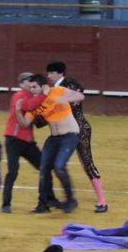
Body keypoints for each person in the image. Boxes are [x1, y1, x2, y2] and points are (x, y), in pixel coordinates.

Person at [16, 74, 85, 213]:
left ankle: (70, 200)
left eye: (34, 87)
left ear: (43, 85)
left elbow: (80, 96)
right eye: (30, 88)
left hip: (70, 136)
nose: (32, 90)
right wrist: (18, 110)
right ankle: (43, 204)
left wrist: (63, 98)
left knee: (59, 166)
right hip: (53, 139)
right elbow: (24, 124)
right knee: (43, 168)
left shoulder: (57, 90)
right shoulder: (36, 102)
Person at [46, 62, 108, 213]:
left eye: (50, 73)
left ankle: (102, 201)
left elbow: (74, 102)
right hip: (61, 131)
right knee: (53, 164)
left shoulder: (70, 84)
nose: (48, 76)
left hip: (79, 129)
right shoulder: (52, 90)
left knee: (87, 162)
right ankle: (53, 199)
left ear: (58, 73)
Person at [1, 73, 58, 213]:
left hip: (28, 141)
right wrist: (45, 95)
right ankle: (6, 204)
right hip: (13, 140)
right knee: (13, 172)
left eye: (33, 82)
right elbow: (28, 106)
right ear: (21, 84)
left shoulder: (34, 96)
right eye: (28, 81)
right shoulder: (18, 96)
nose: (31, 83)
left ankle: (49, 199)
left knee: (44, 167)